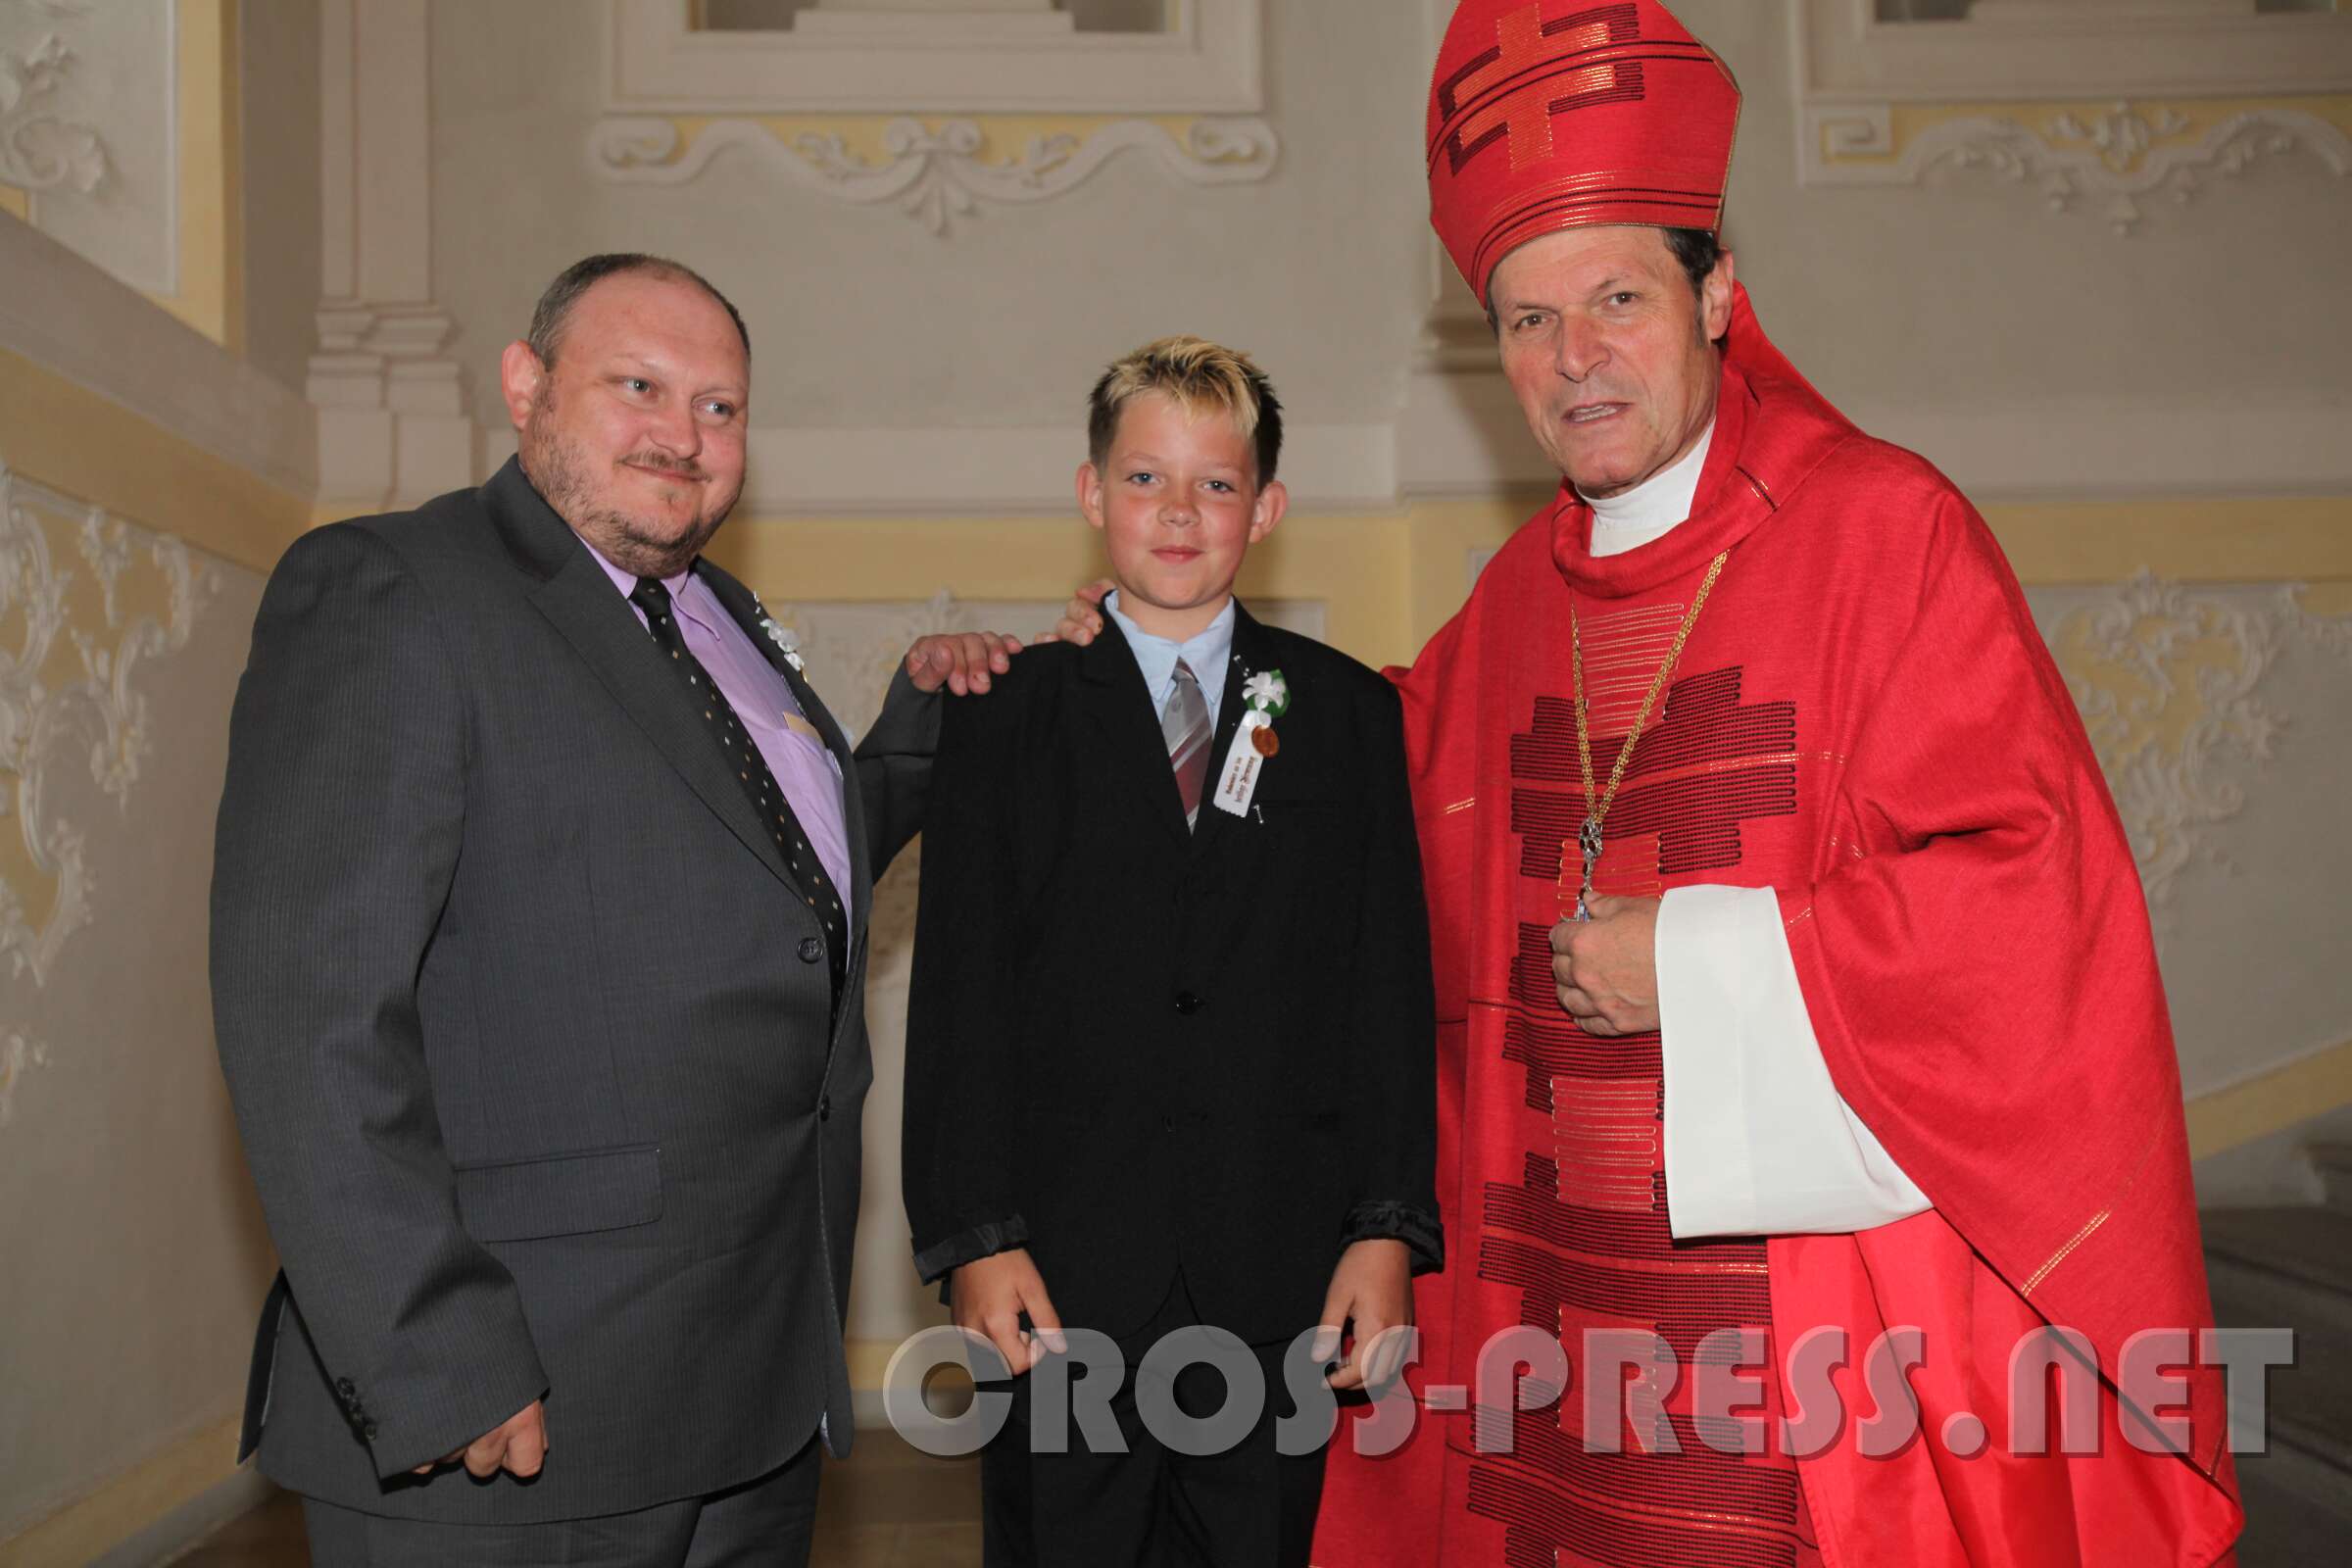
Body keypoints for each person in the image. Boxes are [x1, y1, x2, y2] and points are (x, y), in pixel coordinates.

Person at [1053, 6, 2244, 1564]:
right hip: (1547, 1333)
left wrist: (1695, 957)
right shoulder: (1516, 600)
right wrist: (1171, 670)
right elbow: (1355, 760)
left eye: (1617, 298)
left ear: (1718, 296)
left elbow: (2031, 900)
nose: (1574, 358)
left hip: (1800, 1354)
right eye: (1528, 321)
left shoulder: (1884, 535)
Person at [211, 252, 1018, 1566]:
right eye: (638, 386)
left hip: (751, 1392)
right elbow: (309, 1017)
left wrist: (913, 747)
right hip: (515, 1409)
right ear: (526, 385)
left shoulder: (721, 618)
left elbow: (759, 886)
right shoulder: (395, 588)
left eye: (719, 406)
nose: (682, 435)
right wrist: (436, 1352)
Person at [900, 337, 1444, 1567]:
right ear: (1092, 494)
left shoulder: (1347, 714)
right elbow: (962, 1000)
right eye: (1146, 478)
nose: (1180, 512)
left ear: (1268, 507)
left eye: (1216, 482)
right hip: (1059, 1276)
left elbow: (1383, 990)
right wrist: (976, 1236)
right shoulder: (1004, 716)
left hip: (1277, 1270)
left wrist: (1384, 1228)